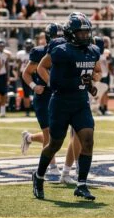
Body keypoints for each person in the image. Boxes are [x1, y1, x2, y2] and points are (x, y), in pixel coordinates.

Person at [31, 13, 102, 202]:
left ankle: (82, 185)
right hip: (61, 102)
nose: (85, 36)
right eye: (81, 33)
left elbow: (96, 72)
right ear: (71, 33)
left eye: (87, 32)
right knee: (54, 144)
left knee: (88, 140)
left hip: (81, 102)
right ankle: (39, 176)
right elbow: (42, 67)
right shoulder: (60, 50)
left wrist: (92, 82)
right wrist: (53, 83)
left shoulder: (93, 50)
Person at [20, 24, 77, 184]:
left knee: (57, 134)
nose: (60, 40)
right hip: (44, 96)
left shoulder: (69, 51)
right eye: (56, 37)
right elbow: (26, 73)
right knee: (48, 133)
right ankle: (52, 166)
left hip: (61, 95)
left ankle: (29, 137)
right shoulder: (40, 52)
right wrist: (33, 86)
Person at [0, 39, 14, 117]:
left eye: (2, 45)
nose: (1, 47)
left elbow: (7, 65)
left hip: (2, 74)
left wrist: (8, 76)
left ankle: (2, 111)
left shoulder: (5, 54)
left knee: (3, 93)